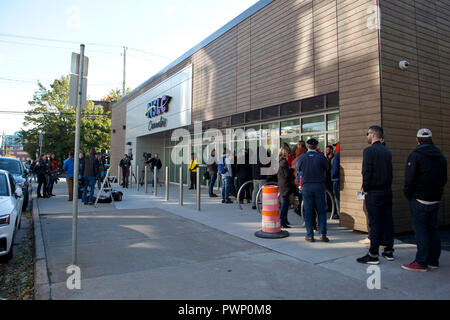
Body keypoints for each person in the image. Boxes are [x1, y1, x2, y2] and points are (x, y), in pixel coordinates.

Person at [402, 128, 447, 272]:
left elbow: (410, 179)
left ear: (418, 140)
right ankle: (434, 260)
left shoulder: (415, 155)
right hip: (435, 198)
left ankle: (421, 262)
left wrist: (408, 194)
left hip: (419, 199)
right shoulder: (441, 156)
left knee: (421, 231)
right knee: (432, 229)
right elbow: (444, 178)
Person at [357, 126, 394, 265]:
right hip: (387, 190)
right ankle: (389, 251)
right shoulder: (387, 151)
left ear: (373, 135)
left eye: (367, 134)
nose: (366, 136)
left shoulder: (369, 151)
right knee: (388, 221)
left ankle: (373, 254)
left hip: (374, 192)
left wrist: (365, 188)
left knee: (375, 222)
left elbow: (366, 172)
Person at [295, 138, 330, 242]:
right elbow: (327, 167)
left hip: (306, 187)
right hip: (319, 186)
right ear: (317, 146)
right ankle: (323, 234)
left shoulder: (302, 157)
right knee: (321, 211)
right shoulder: (321, 157)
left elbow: (298, 168)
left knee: (308, 211)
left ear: (307, 146)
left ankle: (310, 235)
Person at [278, 147, 296, 228]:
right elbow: (287, 174)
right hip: (285, 184)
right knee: (285, 204)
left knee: (285, 203)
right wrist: (292, 169)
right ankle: (282, 220)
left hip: (282, 183)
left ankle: (285, 219)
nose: (289, 154)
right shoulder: (283, 162)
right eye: (288, 152)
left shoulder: (280, 161)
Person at [331, 142, 340, 219]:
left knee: (337, 198)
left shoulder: (337, 156)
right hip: (339, 179)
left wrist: (332, 176)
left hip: (336, 179)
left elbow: (335, 169)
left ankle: (339, 213)